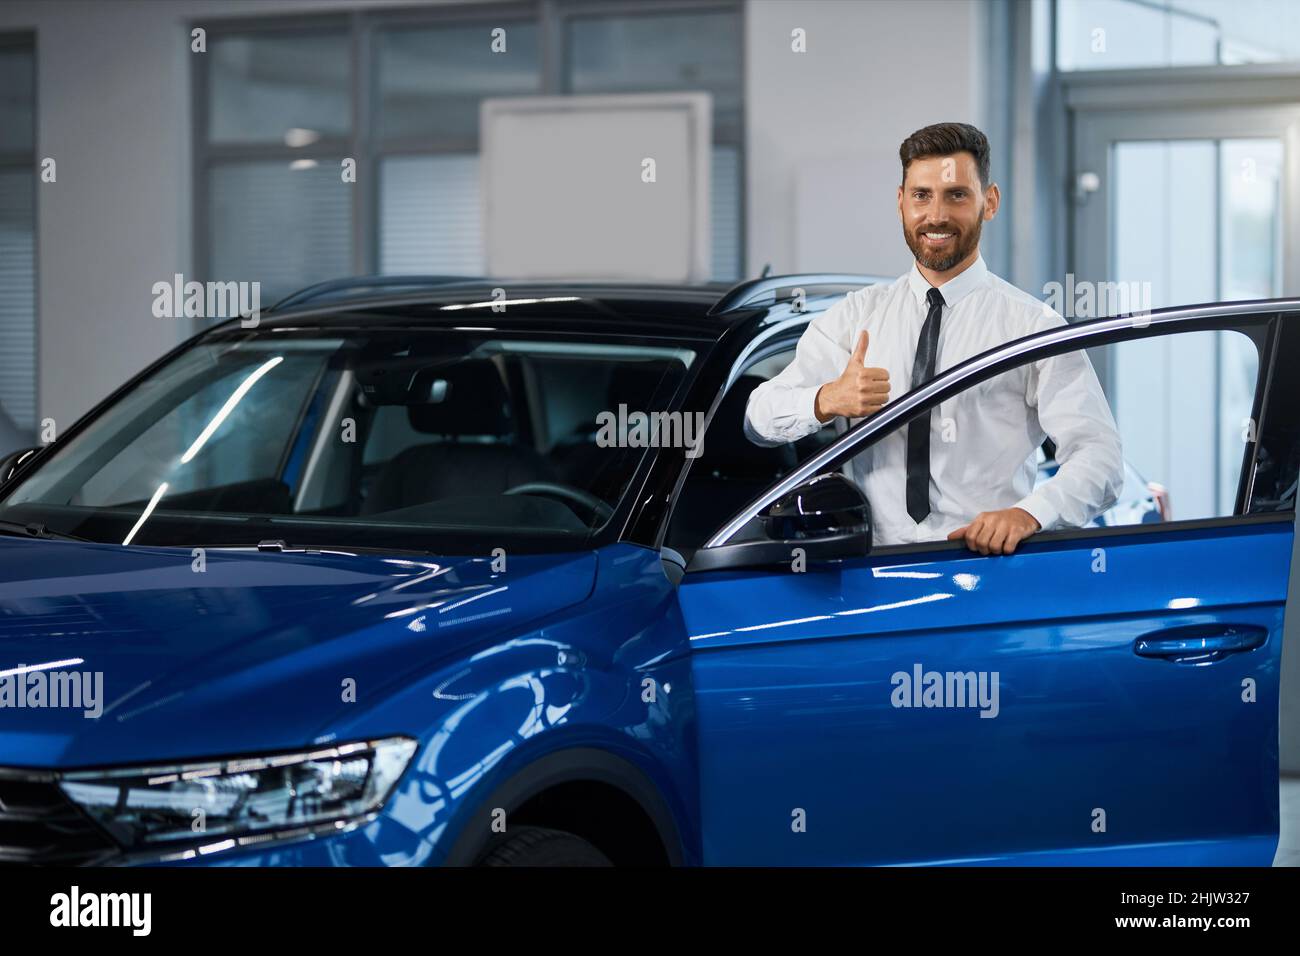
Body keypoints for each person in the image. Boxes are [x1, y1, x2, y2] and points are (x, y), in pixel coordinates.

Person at [744, 122, 1123, 555]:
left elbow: (1101, 457)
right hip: (870, 572)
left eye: (956, 195)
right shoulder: (855, 317)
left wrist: (1029, 513)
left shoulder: (1033, 327)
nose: (936, 215)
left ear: (990, 202)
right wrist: (825, 399)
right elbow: (758, 418)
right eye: (922, 195)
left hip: (986, 569)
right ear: (901, 202)